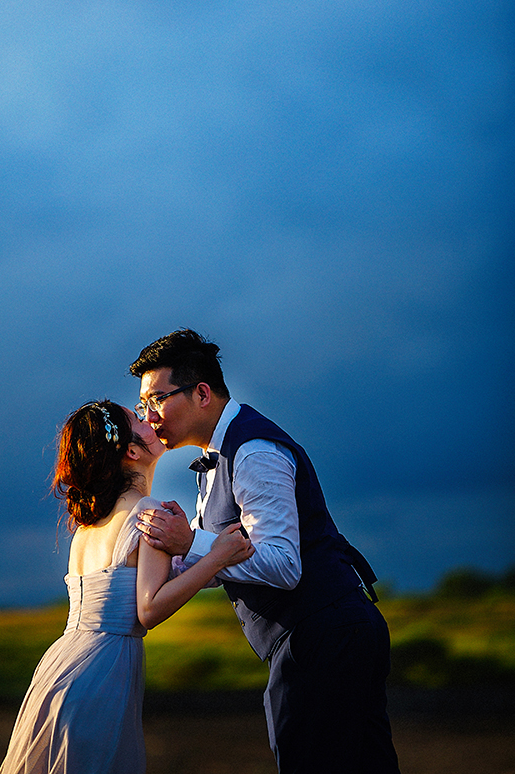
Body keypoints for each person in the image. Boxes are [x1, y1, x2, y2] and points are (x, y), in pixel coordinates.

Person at [131, 329, 400, 774]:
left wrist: (190, 543)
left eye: (157, 399)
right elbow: (218, 555)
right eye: (144, 405)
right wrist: (169, 555)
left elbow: (284, 566)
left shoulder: (253, 451)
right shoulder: (216, 457)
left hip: (321, 636)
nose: (150, 416)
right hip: (326, 634)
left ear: (202, 393)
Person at [0, 398, 252, 774]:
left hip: (60, 666)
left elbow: (132, 591)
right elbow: (149, 609)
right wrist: (217, 557)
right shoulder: (148, 512)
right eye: (139, 418)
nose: (151, 418)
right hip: (101, 672)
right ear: (132, 451)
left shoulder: (87, 528)